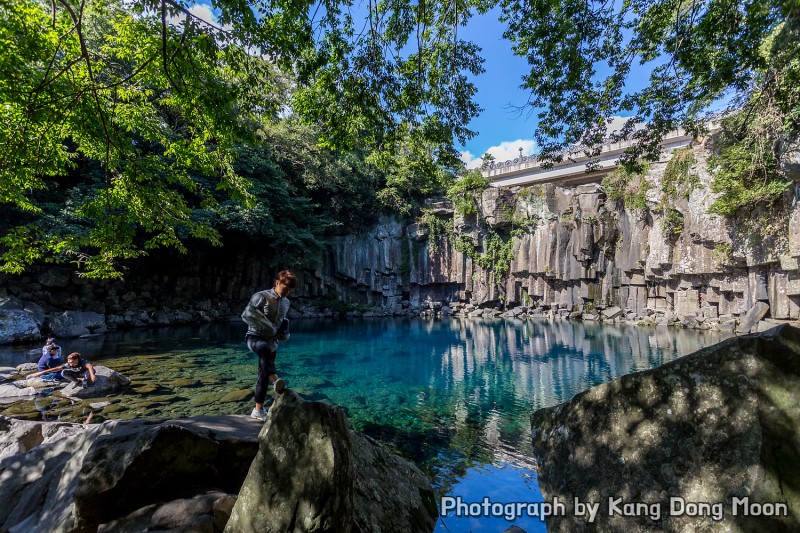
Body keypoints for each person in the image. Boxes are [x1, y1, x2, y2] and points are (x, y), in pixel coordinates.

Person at [241, 270, 296, 421]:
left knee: (262, 376)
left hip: (272, 342)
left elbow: (281, 321)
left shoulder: (286, 302)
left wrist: (284, 332)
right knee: (263, 349)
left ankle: (258, 411)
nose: (288, 292)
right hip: (254, 337)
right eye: (286, 288)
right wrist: (268, 326)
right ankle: (276, 381)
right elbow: (247, 314)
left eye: (291, 290)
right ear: (277, 283)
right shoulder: (261, 296)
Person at [29, 352, 97, 388]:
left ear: (76, 360)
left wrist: (92, 375)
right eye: (69, 362)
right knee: (63, 372)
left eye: (71, 362)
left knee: (88, 376)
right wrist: (41, 373)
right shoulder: (68, 364)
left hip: (85, 373)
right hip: (78, 374)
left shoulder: (82, 362)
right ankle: (77, 382)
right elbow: (56, 369)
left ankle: (85, 381)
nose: (70, 364)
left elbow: (90, 367)